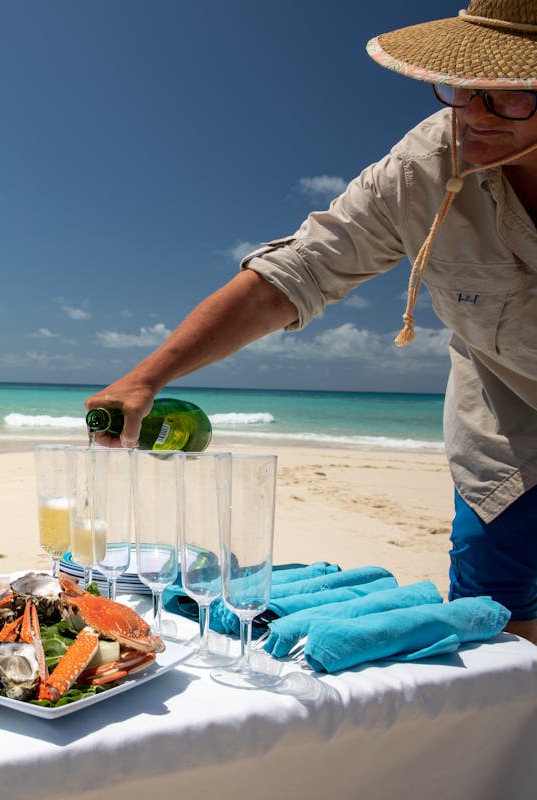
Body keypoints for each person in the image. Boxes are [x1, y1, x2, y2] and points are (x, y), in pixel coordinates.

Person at [86, 1, 537, 645]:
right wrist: (146, 378)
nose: (472, 113)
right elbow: (299, 271)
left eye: (507, 98)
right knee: (497, 623)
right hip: (504, 423)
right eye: (463, 89)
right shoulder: (428, 164)